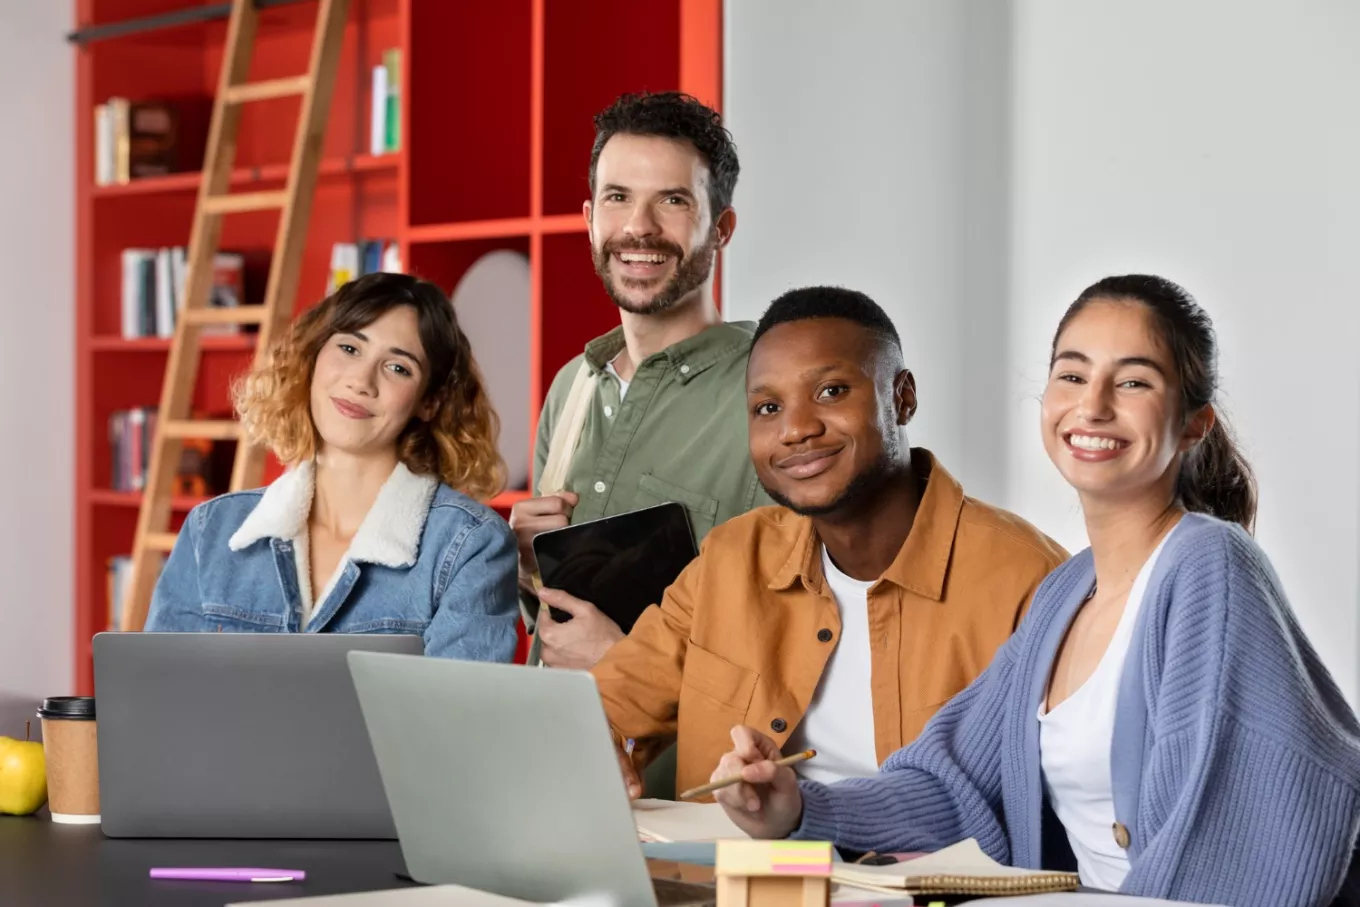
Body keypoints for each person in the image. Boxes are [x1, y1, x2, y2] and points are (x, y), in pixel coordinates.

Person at [709, 275, 1360, 907]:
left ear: (1194, 425)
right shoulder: (1068, 593)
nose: (1093, 405)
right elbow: (957, 783)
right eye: (1072, 375)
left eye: (1133, 381)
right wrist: (797, 804)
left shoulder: (1207, 566)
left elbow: (1241, 844)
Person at [593, 286, 1068, 800]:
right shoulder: (730, 559)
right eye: (768, 407)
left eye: (831, 392)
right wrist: (599, 746)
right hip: (726, 853)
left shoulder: (1030, 580)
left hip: (922, 854)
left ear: (902, 398)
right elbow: (604, 708)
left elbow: (1063, 797)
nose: (795, 429)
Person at [510, 90, 772, 671]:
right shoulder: (571, 387)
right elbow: (553, 622)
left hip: (682, 737)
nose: (638, 227)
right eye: (618, 197)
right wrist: (531, 566)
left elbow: (798, 637)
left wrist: (627, 665)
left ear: (721, 227)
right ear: (589, 218)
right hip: (552, 725)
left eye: (672, 200)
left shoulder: (769, 394)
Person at [145, 272, 521, 662]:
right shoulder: (210, 531)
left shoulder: (470, 546)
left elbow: (456, 702)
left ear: (430, 402)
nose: (361, 381)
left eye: (398, 368)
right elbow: (159, 688)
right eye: (349, 348)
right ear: (313, 357)